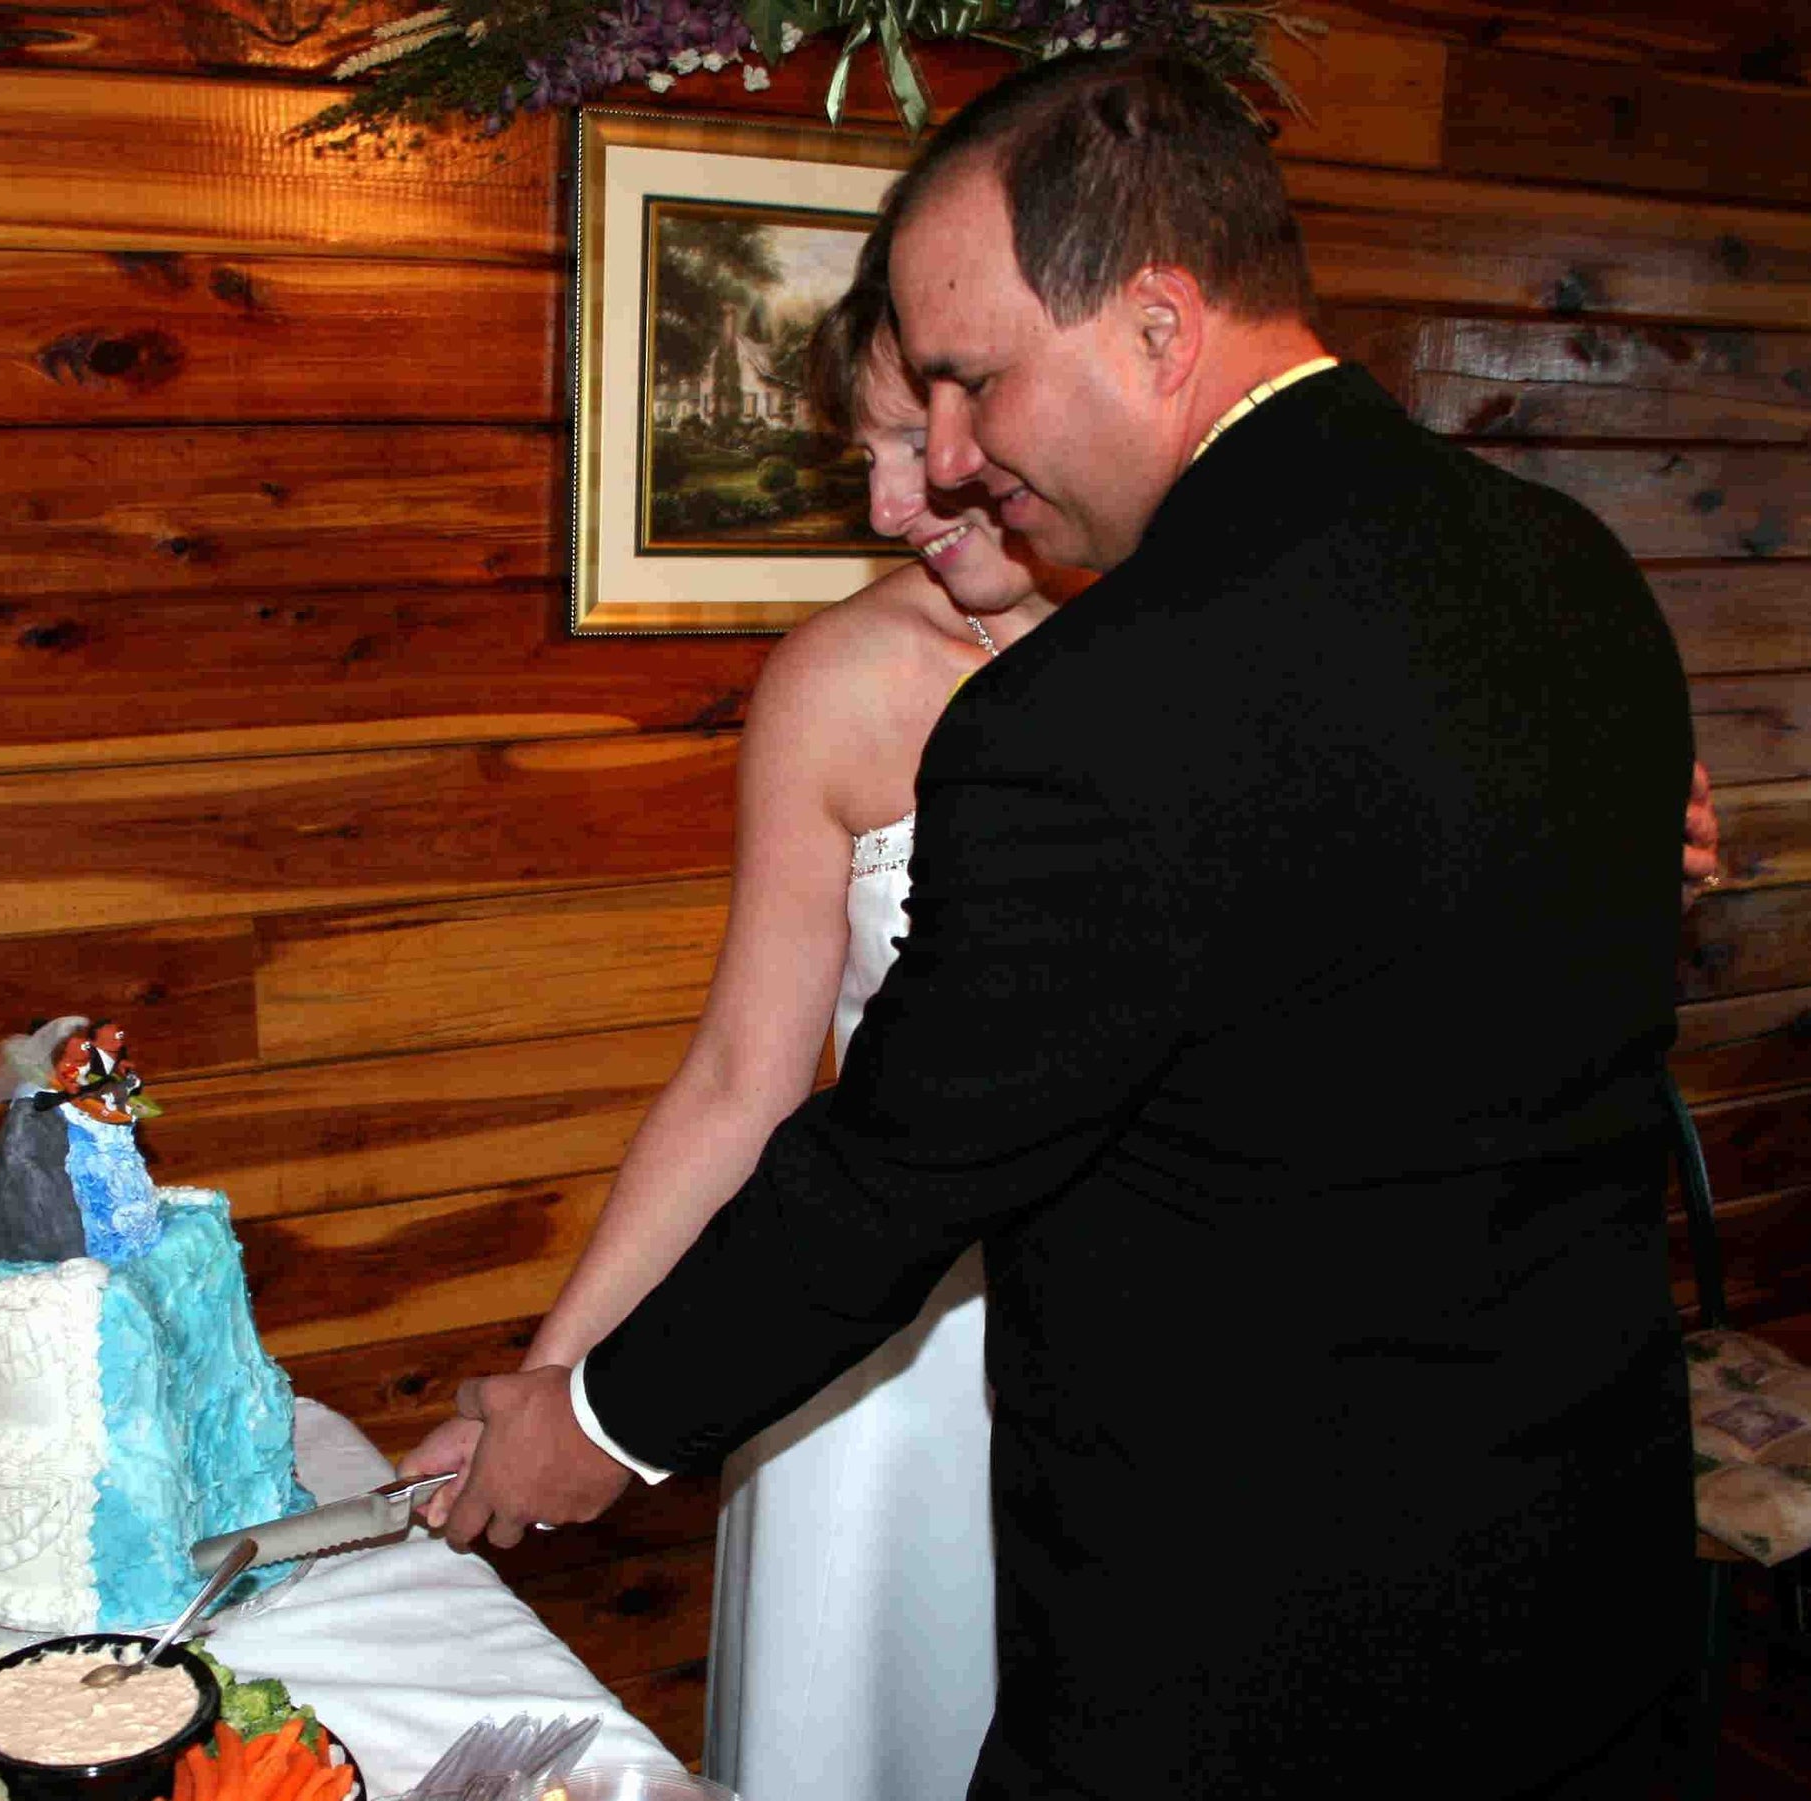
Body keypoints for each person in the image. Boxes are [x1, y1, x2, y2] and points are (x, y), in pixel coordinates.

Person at [410, 52, 1712, 1795]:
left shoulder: (1094, 708)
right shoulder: (1574, 572)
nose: (947, 459)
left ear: (1160, 330)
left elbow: (891, 1168)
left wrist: (589, 1425)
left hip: (1243, 1645)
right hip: (1582, 1585)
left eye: (973, 383)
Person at [507, 271, 1059, 1801]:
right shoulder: (839, 684)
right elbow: (742, 1077)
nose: (891, 504)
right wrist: (560, 1377)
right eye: (862, 458)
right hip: (873, 1362)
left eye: (918, 448)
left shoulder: (1225, 657)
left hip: (1160, 1352)